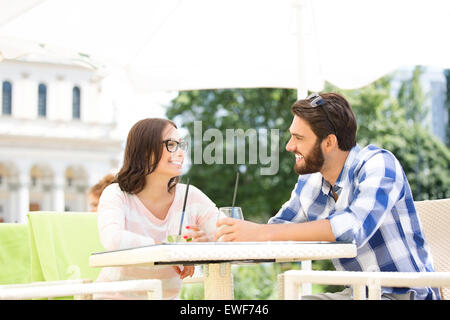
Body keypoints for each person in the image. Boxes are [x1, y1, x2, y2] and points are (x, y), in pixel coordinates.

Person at [216, 92, 440, 300]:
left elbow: (353, 228)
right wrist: (220, 235)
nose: (289, 146)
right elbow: (277, 232)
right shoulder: (311, 182)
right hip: (358, 294)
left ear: (329, 142)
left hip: (405, 293)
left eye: (298, 138)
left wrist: (263, 232)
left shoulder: (379, 164)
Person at [95, 118, 219, 300]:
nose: (180, 153)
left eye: (181, 145)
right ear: (145, 151)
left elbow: (228, 232)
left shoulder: (190, 196)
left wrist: (204, 243)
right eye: (171, 144)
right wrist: (172, 252)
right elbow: (113, 239)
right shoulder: (116, 194)